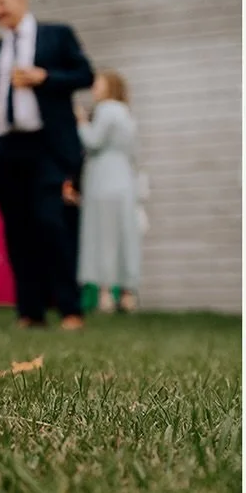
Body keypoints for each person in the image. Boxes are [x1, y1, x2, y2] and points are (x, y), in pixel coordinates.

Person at [0, 0, 94, 330]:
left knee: (51, 223)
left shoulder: (56, 36)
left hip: (46, 145)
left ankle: (69, 308)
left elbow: (85, 74)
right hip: (6, 147)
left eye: (3, 3)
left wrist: (43, 77)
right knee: (17, 230)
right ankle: (29, 310)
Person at [75, 70, 141, 313]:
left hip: (103, 179)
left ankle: (105, 293)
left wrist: (81, 121)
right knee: (125, 234)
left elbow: (93, 141)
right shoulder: (126, 113)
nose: (94, 89)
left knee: (102, 235)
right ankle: (127, 293)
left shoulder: (105, 110)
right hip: (124, 179)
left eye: (98, 84)